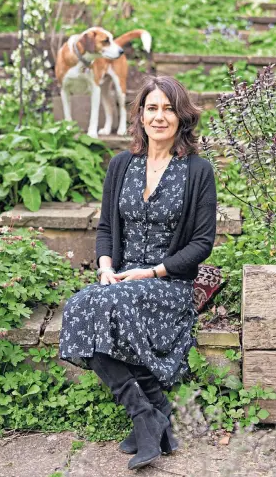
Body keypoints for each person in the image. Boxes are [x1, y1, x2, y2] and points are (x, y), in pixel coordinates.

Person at [59, 75, 217, 470]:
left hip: (168, 283)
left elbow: (201, 243)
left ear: (182, 117)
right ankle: (150, 413)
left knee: (99, 306)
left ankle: (149, 415)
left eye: (168, 108)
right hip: (122, 281)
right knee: (80, 305)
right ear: (141, 116)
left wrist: (152, 272)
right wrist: (106, 266)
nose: (159, 116)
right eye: (152, 108)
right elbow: (108, 228)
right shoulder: (121, 165)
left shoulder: (198, 171)